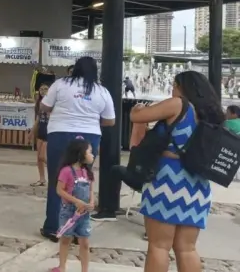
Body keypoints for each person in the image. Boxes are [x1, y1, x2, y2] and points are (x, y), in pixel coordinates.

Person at [129, 71, 217, 272]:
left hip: (167, 181)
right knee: (187, 248)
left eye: (174, 85)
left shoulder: (178, 104)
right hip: (198, 185)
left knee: (159, 246)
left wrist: (138, 108)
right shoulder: (210, 111)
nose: (172, 90)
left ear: (181, 86)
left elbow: (137, 116)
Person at [39, 56, 115, 241]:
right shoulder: (101, 91)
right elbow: (110, 120)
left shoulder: (60, 84)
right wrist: (91, 119)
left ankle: (53, 227)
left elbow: (44, 106)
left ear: (75, 69)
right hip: (89, 137)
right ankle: (75, 230)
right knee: (81, 182)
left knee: (58, 179)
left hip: (60, 134)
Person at [53, 138, 95, 272]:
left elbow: (91, 190)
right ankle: (62, 266)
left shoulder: (88, 172)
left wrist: (92, 202)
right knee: (66, 239)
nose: (92, 155)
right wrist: (76, 201)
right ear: (80, 153)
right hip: (69, 212)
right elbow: (59, 190)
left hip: (84, 213)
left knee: (85, 243)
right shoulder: (66, 171)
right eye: (90, 152)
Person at [30, 83, 50, 186]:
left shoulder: (51, 103)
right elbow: (37, 119)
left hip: (49, 130)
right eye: (41, 89)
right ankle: (42, 179)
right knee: (38, 157)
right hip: (41, 129)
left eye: (45, 89)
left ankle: (56, 169)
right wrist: (32, 131)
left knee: (43, 156)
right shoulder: (39, 103)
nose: (43, 91)